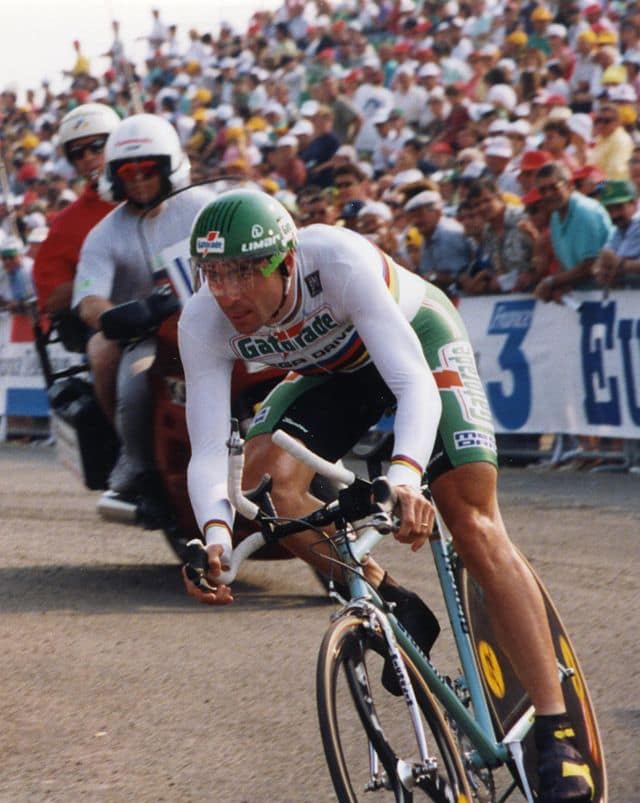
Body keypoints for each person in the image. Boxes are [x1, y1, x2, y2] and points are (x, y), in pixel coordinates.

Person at [179, 189, 593, 802]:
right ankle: (392, 597)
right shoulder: (203, 318)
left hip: (417, 345)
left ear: (285, 262)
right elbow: (210, 449)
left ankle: (559, 735)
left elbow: (414, 385)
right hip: (335, 371)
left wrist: (404, 477)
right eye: (212, 274)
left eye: (242, 273)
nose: (227, 293)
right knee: (263, 489)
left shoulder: (337, 261)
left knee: (471, 520)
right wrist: (215, 538)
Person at [72, 113, 213, 508]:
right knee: (131, 378)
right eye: (126, 171)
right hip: (151, 332)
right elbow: (89, 298)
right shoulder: (104, 233)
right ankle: (135, 458)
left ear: (169, 166)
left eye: (148, 168)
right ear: (113, 177)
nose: (137, 178)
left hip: (221, 321)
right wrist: (116, 315)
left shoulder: (204, 207)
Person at [33, 103, 120, 322]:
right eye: (77, 153)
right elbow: (50, 298)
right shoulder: (65, 223)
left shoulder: (155, 196)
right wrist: (97, 277)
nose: (88, 157)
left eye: (97, 147)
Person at [534, 162, 613, 303]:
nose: (548, 194)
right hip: (587, 291)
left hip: (608, 291)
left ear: (569, 185)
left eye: (554, 187)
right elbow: (565, 263)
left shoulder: (585, 211)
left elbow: (591, 265)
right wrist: (558, 286)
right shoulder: (556, 215)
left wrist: (552, 282)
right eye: (542, 190)